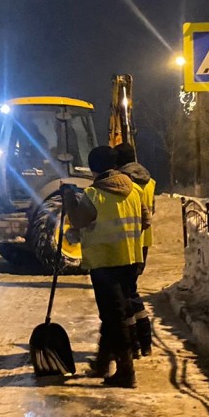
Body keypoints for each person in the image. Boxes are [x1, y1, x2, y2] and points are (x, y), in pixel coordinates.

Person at [61, 145, 148, 388]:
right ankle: (102, 363)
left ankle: (125, 371)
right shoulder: (135, 191)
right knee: (115, 314)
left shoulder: (94, 194)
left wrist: (69, 198)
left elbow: (78, 220)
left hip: (104, 262)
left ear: (93, 168)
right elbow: (145, 220)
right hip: (129, 259)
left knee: (114, 316)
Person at [114, 142, 155, 358]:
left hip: (128, 243)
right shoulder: (150, 182)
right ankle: (145, 340)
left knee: (126, 294)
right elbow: (151, 212)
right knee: (132, 291)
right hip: (144, 242)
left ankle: (135, 343)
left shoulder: (123, 183)